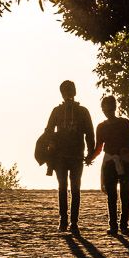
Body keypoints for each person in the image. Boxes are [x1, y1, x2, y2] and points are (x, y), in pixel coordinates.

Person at [44, 80, 95, 234]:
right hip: (70, 154)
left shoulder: (59, 111)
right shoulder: (81, 111)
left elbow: (48, 131)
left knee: (67, 188)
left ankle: (67, 222)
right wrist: (90, 153)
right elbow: (90, 134)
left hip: (69, 155)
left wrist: (90, 153)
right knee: (72, 188)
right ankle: (70, 222)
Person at [87, 96, 129, 236]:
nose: (106, 110)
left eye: (108, 107)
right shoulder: (101, 127)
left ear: (114, 108)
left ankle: (124, 225)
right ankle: (114, 225)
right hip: (109, 163)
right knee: (112, 195)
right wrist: (90, 157)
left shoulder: (125, 123)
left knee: (125, 194)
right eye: (104, 107)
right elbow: (99, 147)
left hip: (125, 162)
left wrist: (125, 149)